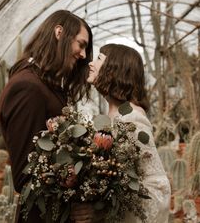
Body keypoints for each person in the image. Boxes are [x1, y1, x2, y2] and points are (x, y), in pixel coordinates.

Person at [0, 10, 93, 223]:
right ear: (59, 32)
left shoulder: (44, 84)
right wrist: (76, 180)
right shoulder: (27, 87)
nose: (84, 55)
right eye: (81, 44)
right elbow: (25, 175)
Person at [72, 43, 171, 223]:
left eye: (99, 59)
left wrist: (101, 212)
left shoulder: (131, 119)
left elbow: (157, 185)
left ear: (114, 69)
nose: (91, 64)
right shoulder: (115, 115)